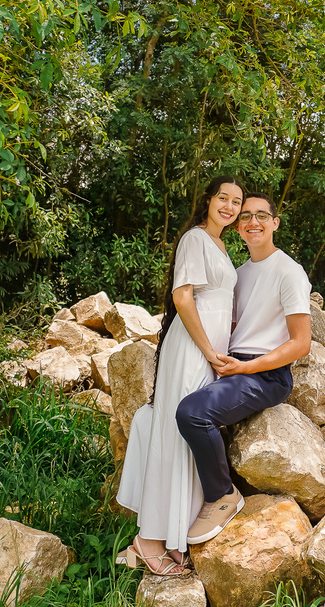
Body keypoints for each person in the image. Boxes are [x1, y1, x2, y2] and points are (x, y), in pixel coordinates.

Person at [115, 176, 244, 576]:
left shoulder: (221, 245)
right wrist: (207, 350)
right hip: (192, 349)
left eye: (236, 201)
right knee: (175, 435)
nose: (229, 206)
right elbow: (182, 296)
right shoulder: (195, 238)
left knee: (192, 438)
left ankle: (174, 536)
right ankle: (149, 540)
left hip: (209, 351)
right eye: (223, 198)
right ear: (208, 200)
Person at [176, 192, 312, 543]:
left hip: (266, 373)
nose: (253, 221)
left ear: (275, 223)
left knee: (193, 413)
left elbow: (301, 343)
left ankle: (222, 496)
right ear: (237, 228)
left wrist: (247, 369)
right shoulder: (237, 275)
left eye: (262, 215)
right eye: (246, 216)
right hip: (232, 363)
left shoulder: (290, 272)